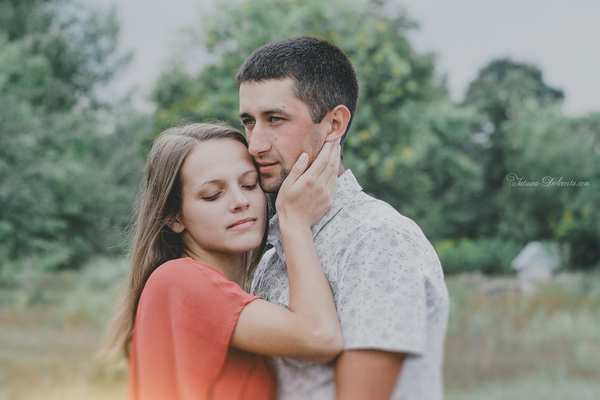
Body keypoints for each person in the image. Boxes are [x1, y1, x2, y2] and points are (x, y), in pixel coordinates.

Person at [236, 36, 450, 400]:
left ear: (335, 124)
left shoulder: (378, 239)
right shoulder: (276, 247)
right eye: (248, 122)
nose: (255, 144)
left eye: (275, 119)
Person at [101, 122, 343, 399]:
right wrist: (296, 224)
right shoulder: (180, 279)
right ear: (174, 217)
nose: (240, 200)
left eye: (250, 184)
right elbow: (319, 336)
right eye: (213, 195)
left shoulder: (230, 296)